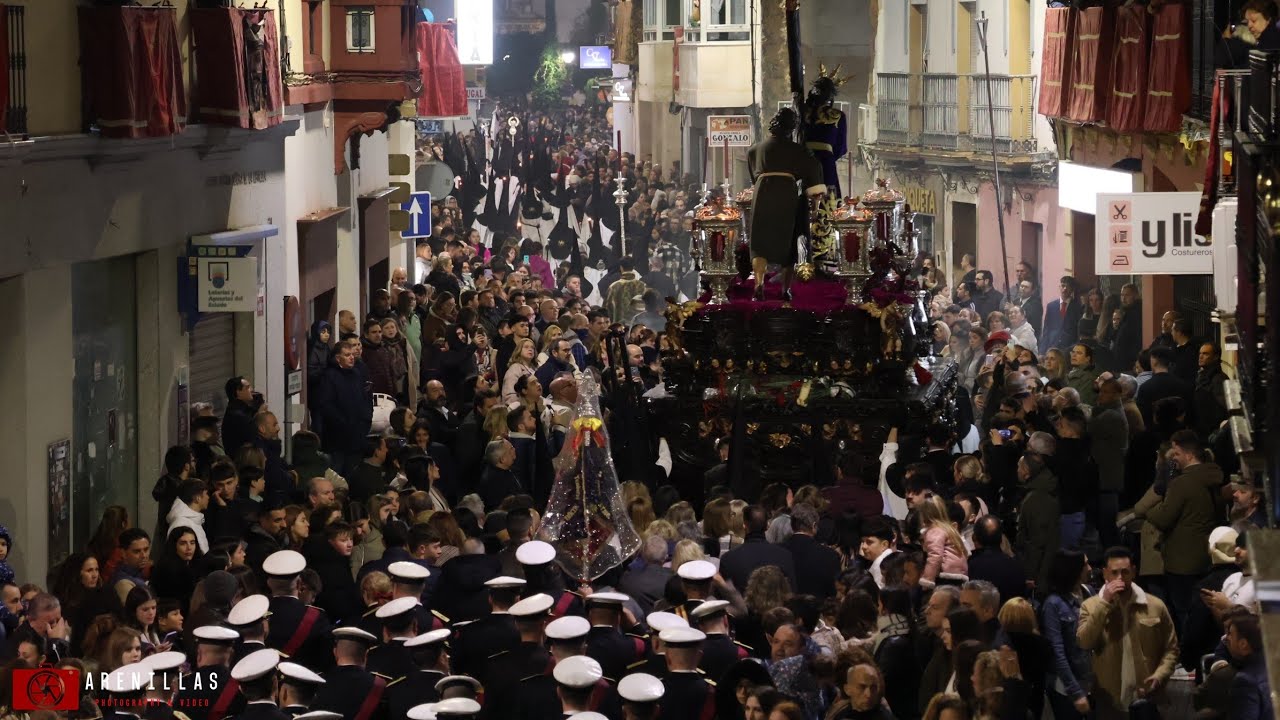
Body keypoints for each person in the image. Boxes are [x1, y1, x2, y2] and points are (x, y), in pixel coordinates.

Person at [1077, 547, 1178, 720]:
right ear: (1105, 573)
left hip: (1146, 697)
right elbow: (1084, 642)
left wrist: (1160, 675)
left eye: (1125, 572)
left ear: (1133, 572)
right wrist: (1104, 603)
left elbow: (1171, 649)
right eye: (1114, 572)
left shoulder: (1155, 605)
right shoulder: (1091, 606)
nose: (1120, 578)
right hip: (1109, 701)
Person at [746, 107, 826, 302]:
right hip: (786, 194)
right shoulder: (798, 150)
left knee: (759, 242)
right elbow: (814, 170)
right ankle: (785, 290)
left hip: (762, 194)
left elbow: (753, 176)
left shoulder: (755, 149)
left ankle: (759, 284)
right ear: (792, 128)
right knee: (789, 243)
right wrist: (815, 204)